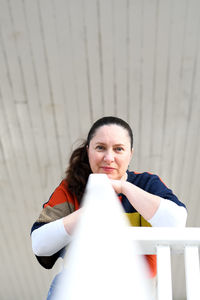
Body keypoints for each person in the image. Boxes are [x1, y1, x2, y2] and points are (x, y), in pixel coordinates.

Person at [31, 116, 187, 298]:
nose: (109, 157)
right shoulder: (70, 188)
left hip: (134, 290)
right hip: (81, 289)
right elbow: (40, 244)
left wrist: (122, 187)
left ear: (130, 154)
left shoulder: (146, 184)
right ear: (89, 151)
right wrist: (88, 212)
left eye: (119, 149)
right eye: (100, 148)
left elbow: (176, 222)